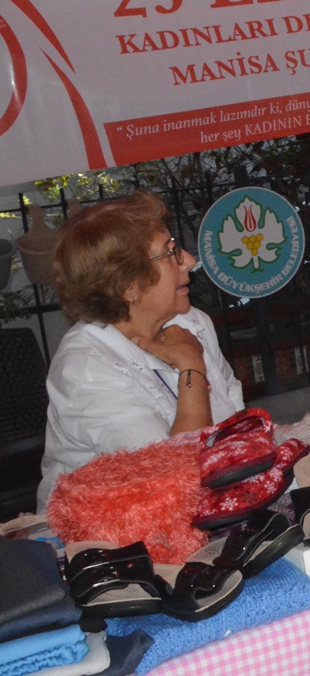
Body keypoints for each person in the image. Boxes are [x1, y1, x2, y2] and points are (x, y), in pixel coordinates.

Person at [36, 192, 245, 509]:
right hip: (110, 543)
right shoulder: (85, 371)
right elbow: (175, 478)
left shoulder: (192, 322)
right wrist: (191, 367)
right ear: (127, 286)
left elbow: (237, 427)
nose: (188, 260)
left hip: (212, 510)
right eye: (170, 253)